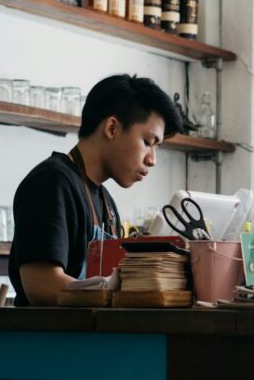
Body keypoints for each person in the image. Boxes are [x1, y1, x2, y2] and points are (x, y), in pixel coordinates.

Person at [9, 74, 182, 306]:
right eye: (147, 142)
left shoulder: (107, 203)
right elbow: (40, 284)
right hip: (45, 339)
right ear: (112, 128)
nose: (153, 160)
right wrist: (118, 297)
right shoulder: (51, 183)